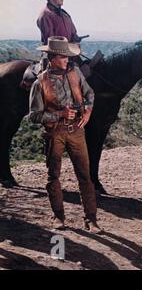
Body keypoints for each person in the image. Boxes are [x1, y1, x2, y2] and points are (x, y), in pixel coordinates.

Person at [29, 36, 102, 234]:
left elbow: (90, 94)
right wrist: (58, 114)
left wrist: (87, 111)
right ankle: (58, 217)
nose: (67, 60)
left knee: (85, 176)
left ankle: (91, 219)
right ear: (52, 57)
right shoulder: (40, 83)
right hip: (55, 133)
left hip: (77, 131)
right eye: (63, 57)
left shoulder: (75, 72)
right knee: (53, 176)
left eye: (68, 57)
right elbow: (34, 116)